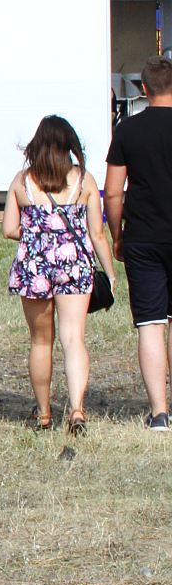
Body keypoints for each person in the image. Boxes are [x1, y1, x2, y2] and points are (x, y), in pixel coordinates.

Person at [4, 115, 113, 436]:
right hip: (75, 266)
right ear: (70, 146)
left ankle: (44, 414)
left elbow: (9, 228)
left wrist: (39, 230)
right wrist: (110, 271)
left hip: (34, 266)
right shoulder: (85, 181)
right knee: (73, 339)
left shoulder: (22, 182)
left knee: (41, 341)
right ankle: (77, 410)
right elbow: (97, 233)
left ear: (36, 145)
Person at [104, 56, 172, 430]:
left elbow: (113, 194)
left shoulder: (128, 131)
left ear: (143, 90)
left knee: (150, 323)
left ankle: (159, 412)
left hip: (143, 237)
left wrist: (117, 235)